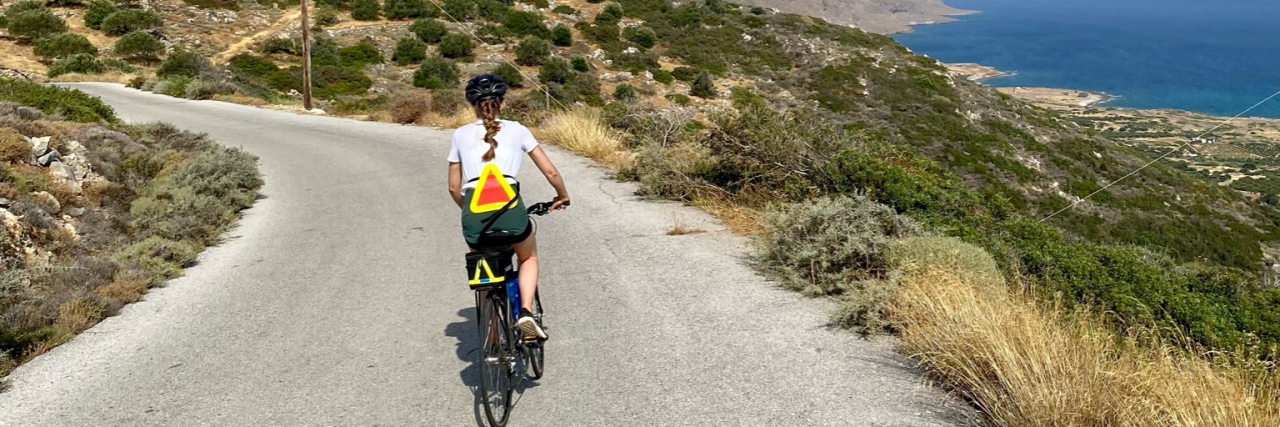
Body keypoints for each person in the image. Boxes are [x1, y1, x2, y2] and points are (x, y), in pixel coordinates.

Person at [447, 74, 570, 340]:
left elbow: (453, 189)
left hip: (474, 215)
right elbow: (550, 171)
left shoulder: (459, 135)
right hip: (510, 210)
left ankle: (490, 336)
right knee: (528, 258)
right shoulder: (518, 130)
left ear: (472, 104)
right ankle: (525, 312)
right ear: (502, 102)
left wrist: (470, 211)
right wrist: (561, 195)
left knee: (484, 273)